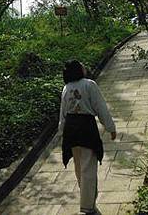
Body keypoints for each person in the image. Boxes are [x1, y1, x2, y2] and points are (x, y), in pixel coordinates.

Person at [58, 60, 116, 215]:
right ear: (79, 70)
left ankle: (88, 203)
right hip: (85, 128)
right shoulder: (89, 85)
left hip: (71, 130)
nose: (85, 66)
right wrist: (110, 127)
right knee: (88, 168)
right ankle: (87, 208)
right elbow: (100, 107)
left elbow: (63, 113)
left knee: (79, 166)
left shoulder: (66, 88)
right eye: (82, 65)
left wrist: (61, 132)